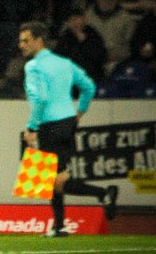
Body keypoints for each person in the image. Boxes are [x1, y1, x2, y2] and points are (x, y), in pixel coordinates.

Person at [18, 21, 120, 236]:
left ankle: (103, 194)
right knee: (57, 177)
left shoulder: (33, 66)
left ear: (39, 40)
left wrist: (32, 127)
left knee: (52, 178)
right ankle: (59, 226)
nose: (21, 45)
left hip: (50, 125)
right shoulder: (64, 63)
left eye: (26, 40)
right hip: (67, 123)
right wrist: (79, 112)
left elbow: (40, 98)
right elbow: (89, 87)